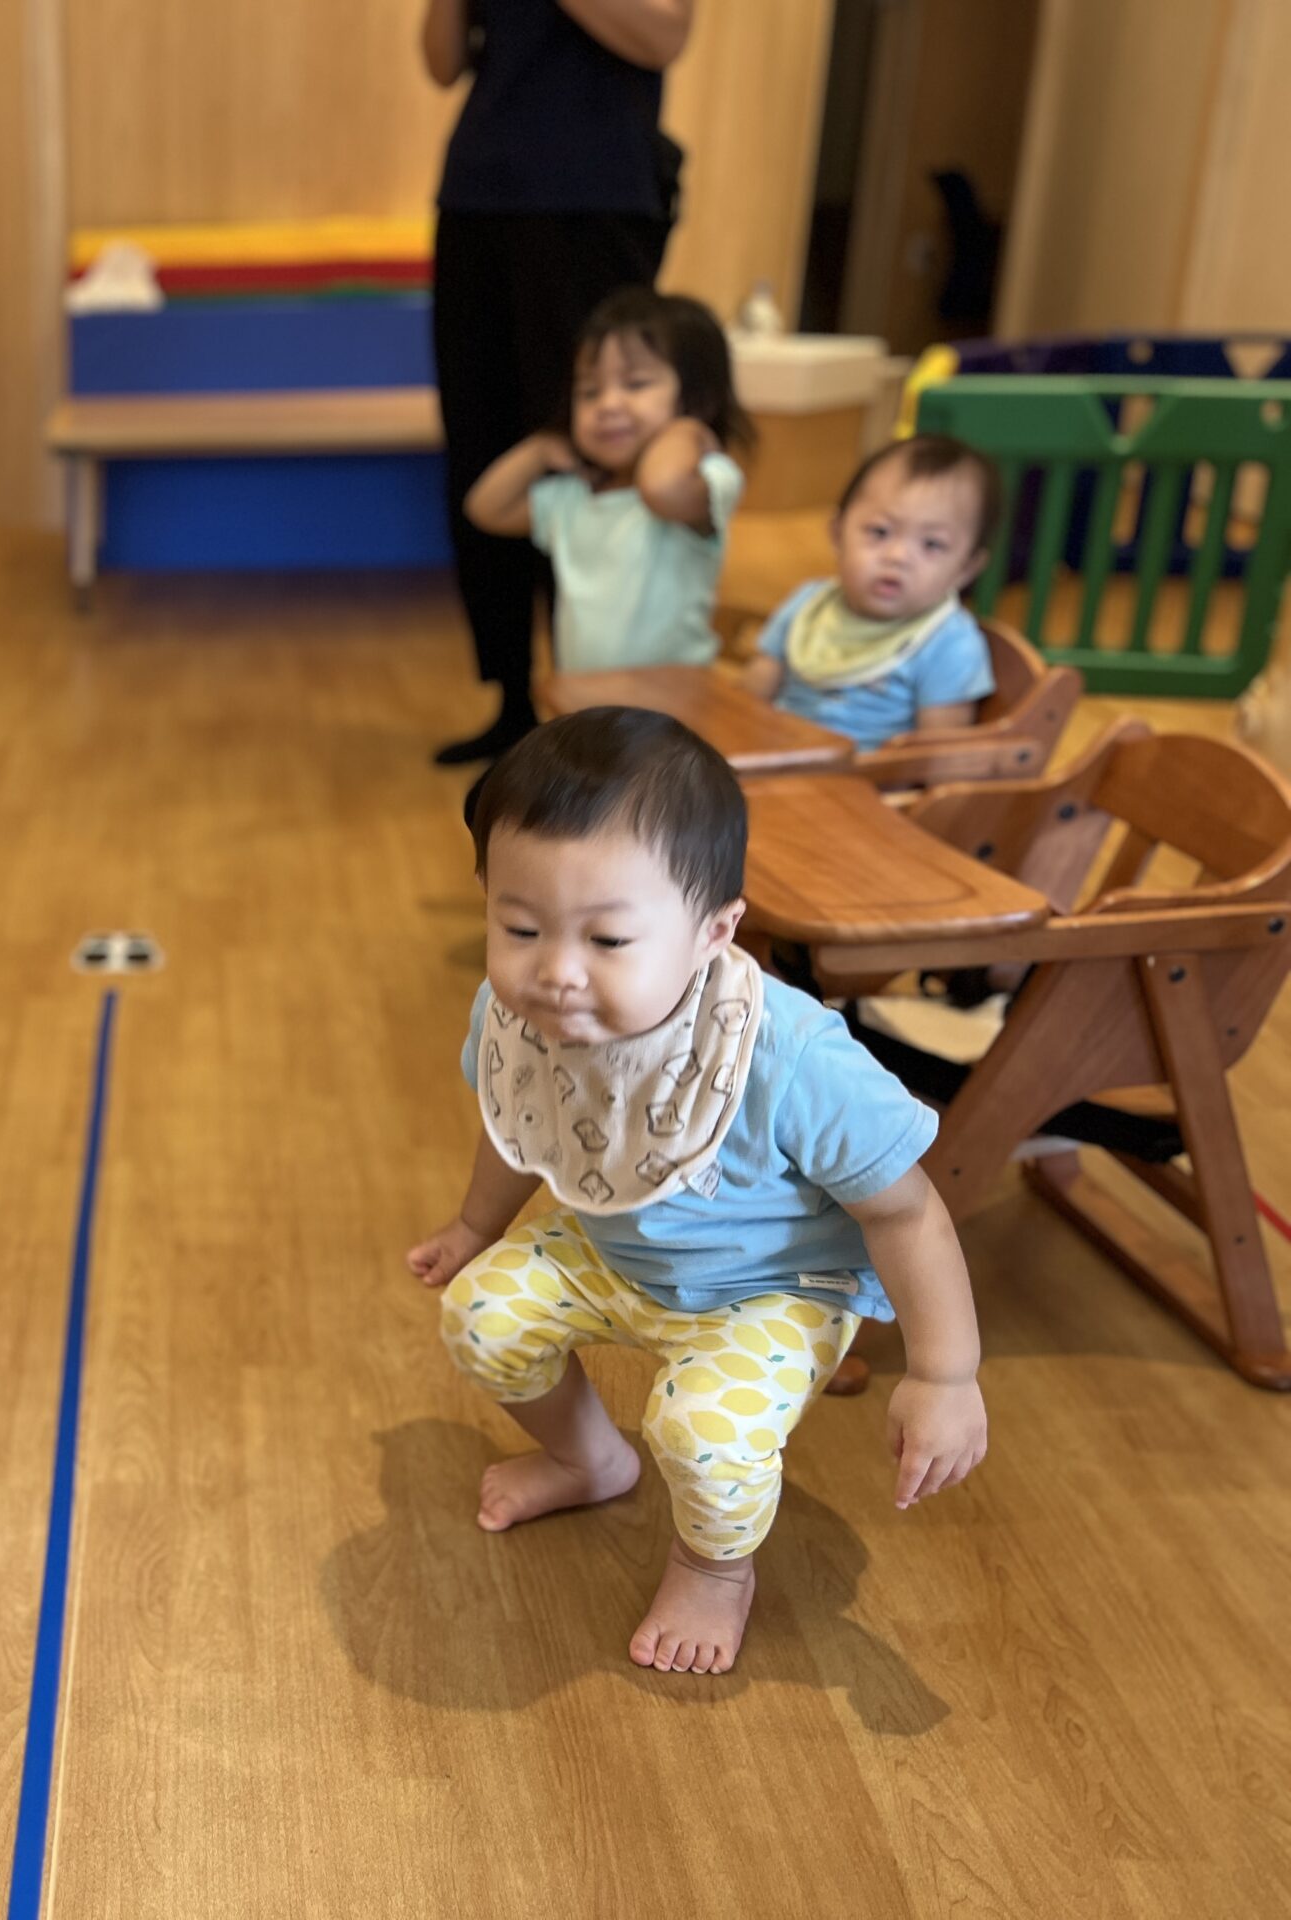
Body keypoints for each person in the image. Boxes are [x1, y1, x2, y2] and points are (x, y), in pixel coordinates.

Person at [405, 709, 987, 1674]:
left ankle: (714, 1568)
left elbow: (907, 1208)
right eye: (519, 925)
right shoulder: (519, 1015)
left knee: (704, 1436)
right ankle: (589, 1459)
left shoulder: (788, 1057)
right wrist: (475, 1227)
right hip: (610, 1252)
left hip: (774, 1289)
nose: (556, 970)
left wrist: (944, 1375)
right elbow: (525, 1126)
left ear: (713, 930)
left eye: (609, 938)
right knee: (481, 1317)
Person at [423, 0, 697, 764]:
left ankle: (605, 697)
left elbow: (664, 34)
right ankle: (515, 698)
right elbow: (442, 62)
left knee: (595, 445)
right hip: (477, 196)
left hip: (595, 197)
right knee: (483, 437)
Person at [465, 288, 750, 673]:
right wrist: (539, 449)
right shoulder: (574, 498)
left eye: (635, 384)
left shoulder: (706, 482)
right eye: (589, 391)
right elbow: (486, 508)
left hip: (676, 706)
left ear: (697, 399)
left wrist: (687, 428)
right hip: (586, 703)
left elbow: (661, 488)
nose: (608, 405)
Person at [743, 435, 1001, 749]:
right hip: (775, 759)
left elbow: (936, 757)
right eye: (879, 532)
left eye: (932, 544)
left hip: (864, 787)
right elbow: (753, 694)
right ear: (837, 534)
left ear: (966, 569)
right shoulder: (807, 604)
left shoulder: (949, 643)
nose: (897, 556)